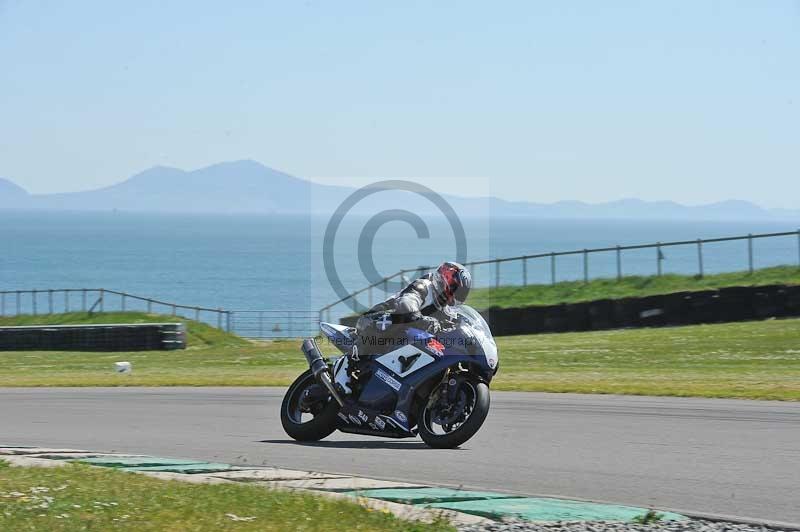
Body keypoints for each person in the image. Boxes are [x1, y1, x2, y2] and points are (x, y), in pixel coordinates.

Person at [354, 261, 472, 360]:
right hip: (373, 320)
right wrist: (422, 320)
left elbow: (457, 323)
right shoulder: (423, 286)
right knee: (395, 319)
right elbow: (406, 305)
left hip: (401, 337)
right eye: (456, 289)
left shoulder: (445, 308)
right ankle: (354, 359)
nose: (458, 294)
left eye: (461, 292)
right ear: (444, 280)